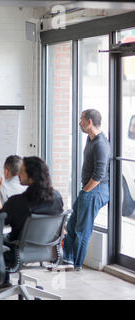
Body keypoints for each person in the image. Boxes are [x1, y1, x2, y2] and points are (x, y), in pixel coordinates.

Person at [0, 156, 63, 284]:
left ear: (31, 177)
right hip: (48, 251)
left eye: (22, 171)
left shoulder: (17, 202)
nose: (18, 174)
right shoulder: (57, 198)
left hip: (16, 252)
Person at [63, 109, 111, 271]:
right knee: (71, 226)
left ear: (89, 122)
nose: (79, 123)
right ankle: (67, 259)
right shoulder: (90, 139)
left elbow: (99, 175)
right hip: (87, 190)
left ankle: (77, 265)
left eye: (81, 119)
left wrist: (85, 192)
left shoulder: (100, 145)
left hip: (96, 190)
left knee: (82, 230)